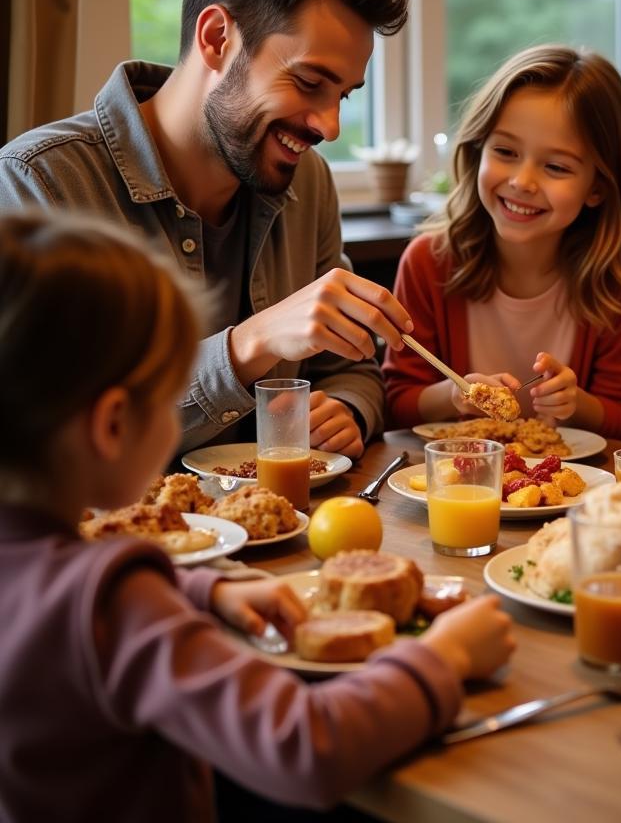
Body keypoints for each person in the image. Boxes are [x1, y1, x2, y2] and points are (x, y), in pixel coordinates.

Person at [0, 209, 515, 821]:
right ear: (113, 426)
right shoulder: (115, 602)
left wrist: (201, 588)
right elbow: (305, 746)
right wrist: (445, 658)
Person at [0, 0, 415, 460]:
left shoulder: (309, 181)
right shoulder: (39, 185)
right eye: (310, 82)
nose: (330, 126)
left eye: (343, 95)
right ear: (217, 38)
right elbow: (49, 435)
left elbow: (350, 370)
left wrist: (346, 409)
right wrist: (251, 344)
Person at [383, 45, 621, 440]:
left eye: (556, 167)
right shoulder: (428, 263)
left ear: (598, 187)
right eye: (505, 151)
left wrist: (577, 402)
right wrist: (453, 394)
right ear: (476, 151)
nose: (522, 181)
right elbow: (396, 403)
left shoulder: (619, 281)